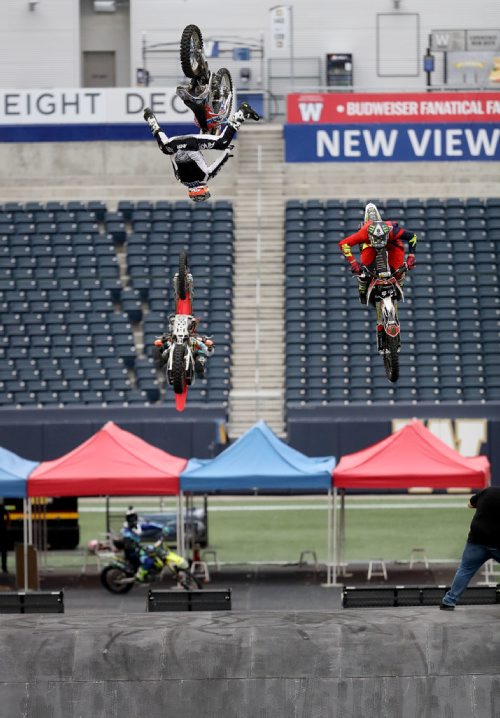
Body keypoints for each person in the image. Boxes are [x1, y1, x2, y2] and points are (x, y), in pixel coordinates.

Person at [143, 101, 260, 202]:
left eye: (206, 191)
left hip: (193, 143)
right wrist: (172, 148)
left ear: (200, 190)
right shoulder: (180, 179)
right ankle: (150, 119)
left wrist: (227, 151)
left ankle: (242, 112)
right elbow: (172, 159)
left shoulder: (205, 177)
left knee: (223, 142)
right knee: (164, 148)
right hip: (173, 144)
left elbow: (218, 164)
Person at [338, 202, 417, 305]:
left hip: (391, 243)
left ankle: (399, 280)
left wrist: (411, 257)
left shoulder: (392, 230)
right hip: (369, 245)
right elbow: (343, 244)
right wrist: (354, 264)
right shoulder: (363, 233)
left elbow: (413, 237)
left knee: (400, 267)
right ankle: (363, 287)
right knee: (364, 270)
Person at [441, 487, 500, 610]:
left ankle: (449, 601)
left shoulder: (489, 491)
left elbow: (470, 504)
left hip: (477, 540)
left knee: (465, 570)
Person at [0, 499, 9, 573]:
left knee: (3, 551)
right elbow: (8, 516)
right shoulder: (2, 507)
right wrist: (7, 524)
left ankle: (4, 567)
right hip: (3, 530)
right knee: (3, 551)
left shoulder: (1, 507)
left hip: (3, 530)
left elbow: (8, 516)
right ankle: (4, 567)